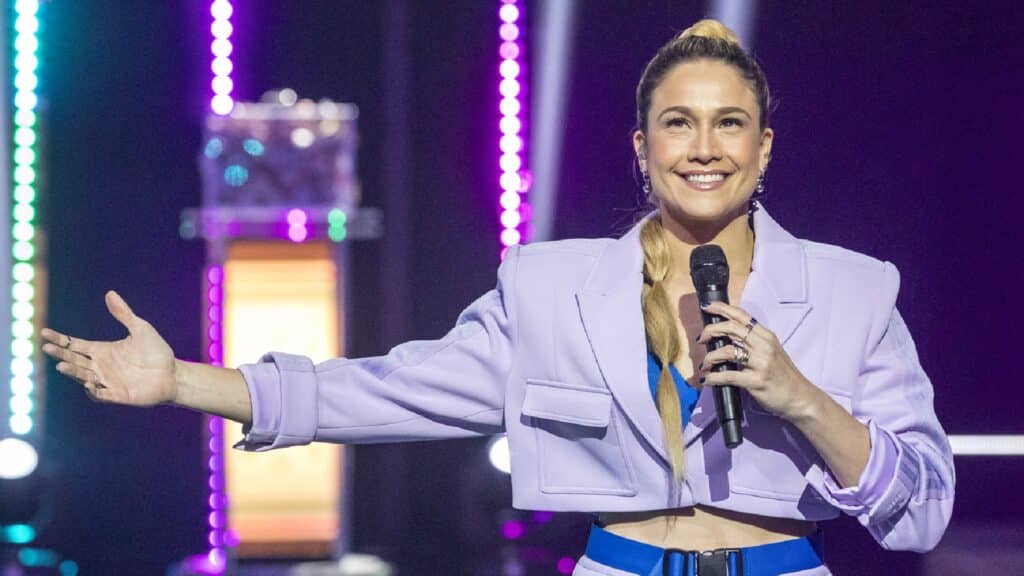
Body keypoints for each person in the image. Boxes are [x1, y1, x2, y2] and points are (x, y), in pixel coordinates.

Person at [41, 19, 953, 576]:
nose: (705, 148)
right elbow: (389, 392)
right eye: (679, 123)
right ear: (643, 148)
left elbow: (921, 514)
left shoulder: (854, 291)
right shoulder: (553, 288)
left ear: (763, 147)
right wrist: (183, 381)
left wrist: (801, 398)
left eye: (731, 124)